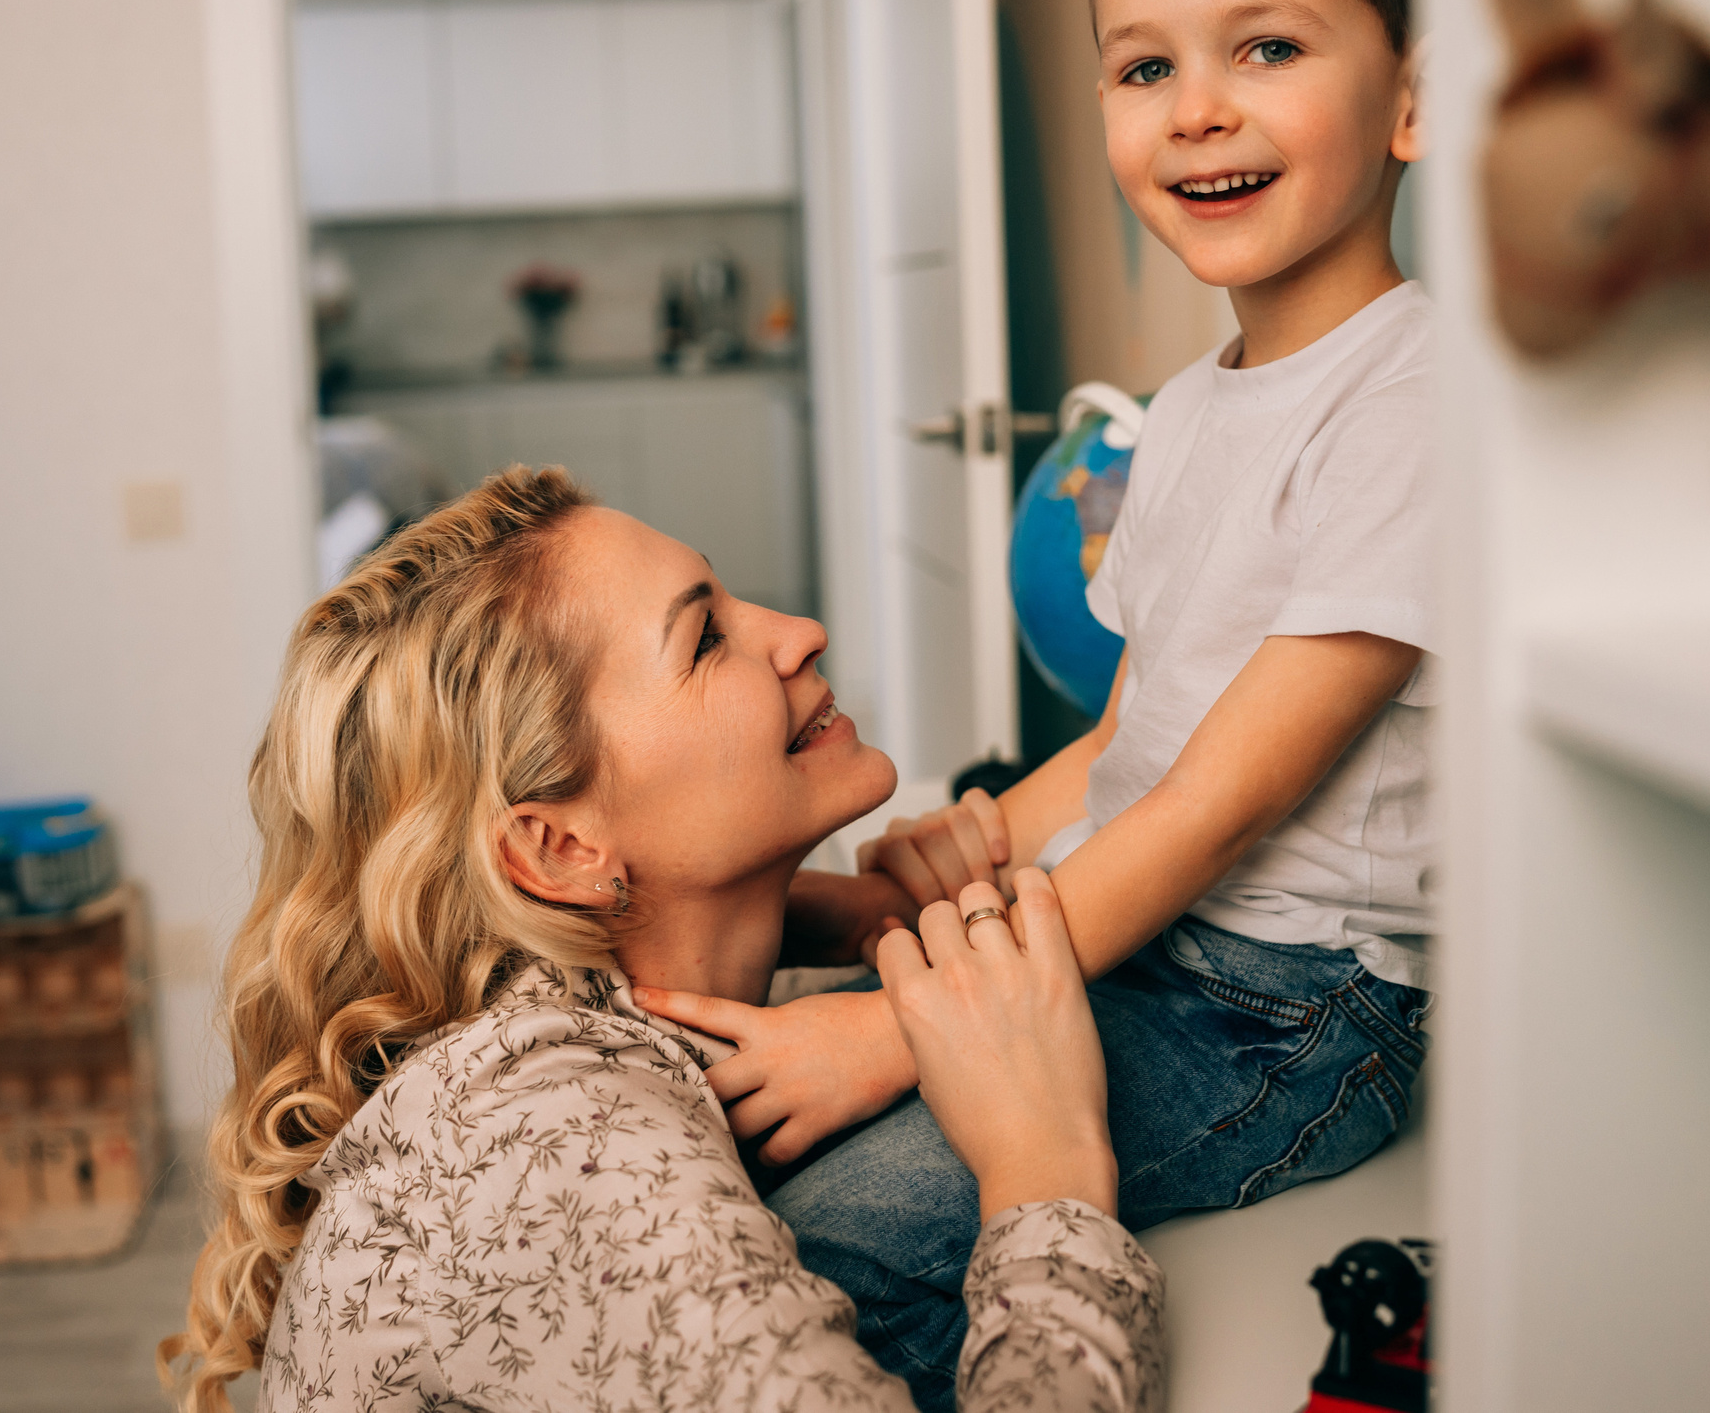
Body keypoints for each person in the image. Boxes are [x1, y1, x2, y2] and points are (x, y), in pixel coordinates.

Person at [642, 0, 1435, 1409]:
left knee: (826, 1242)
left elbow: (1219, 801)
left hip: (1290, 1010)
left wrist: (895, 1034)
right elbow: (1139, 737)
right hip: (1140, 933)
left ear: (1412, 96)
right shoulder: (1191, 411)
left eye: (1267, 49)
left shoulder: (1416, 398)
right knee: (731, 1163)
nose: (1197, 111)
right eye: (1145, 68)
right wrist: (982, 848)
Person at [158, 468, 1166, 1413]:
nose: (801, 633)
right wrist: (1048, 1166)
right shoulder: (559, 1138)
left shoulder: (562, 1028)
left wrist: (851, 913)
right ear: (558, 848)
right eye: (704, 640)